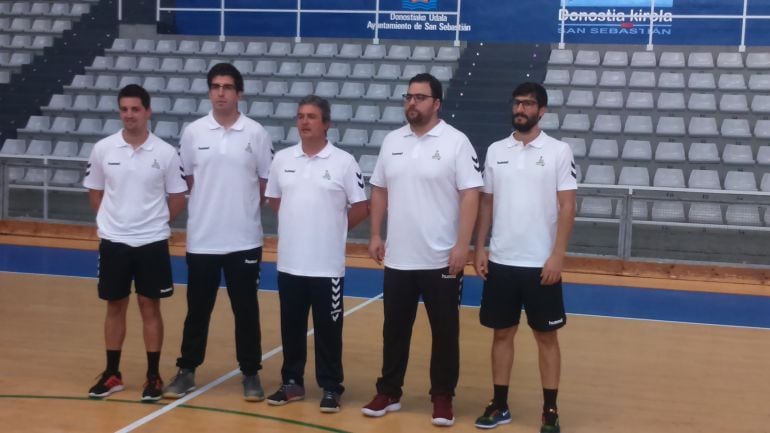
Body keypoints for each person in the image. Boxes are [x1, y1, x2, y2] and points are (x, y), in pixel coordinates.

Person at [361, 73, 483, 426]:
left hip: (442, 257)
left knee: (445, 332)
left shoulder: (456, 142)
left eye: (420, 97)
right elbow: (380, 189)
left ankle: (442, 396)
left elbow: (471, 193)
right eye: (408, 96)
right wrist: (375, 234)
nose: (412, 103)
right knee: (394, 329)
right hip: (399, 257)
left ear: (436, 103)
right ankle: (389, 391)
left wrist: (463, 244)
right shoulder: (392, 141)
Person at [163, 63, 273, 401]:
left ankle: (251, 374)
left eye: (227, 87)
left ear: (239, 93)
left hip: (243, 240)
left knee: (246, 311)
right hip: (203, 239)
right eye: (215, 86)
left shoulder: (256, 133)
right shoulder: (194, 132)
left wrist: (238, 209)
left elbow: (266, 184)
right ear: (209, 91)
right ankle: (187, 371)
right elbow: (188, 181)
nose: (221, 92)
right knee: (198, 309)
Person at [472, 82, 577, 432]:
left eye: (528, 104)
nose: (521, 109)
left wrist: (557, 255)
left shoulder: (560, 151)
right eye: (517, 103)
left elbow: (567, 206)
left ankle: (550, 410)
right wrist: (480, 246)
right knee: (501, 334)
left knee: (546, 338)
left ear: (542, 111)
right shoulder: (495, 150)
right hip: (501, 261)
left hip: (541, 264)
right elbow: (486, 202)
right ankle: (499, 404)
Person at [264, 95, 369, 413]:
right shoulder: (283, 159)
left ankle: (331, 387)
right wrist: (301, 222)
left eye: (311, 116)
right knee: (291, 327)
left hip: (327, 266)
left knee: (328, 330)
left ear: (326, 124)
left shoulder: (343, 162)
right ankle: (291, 383)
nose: (304, 122)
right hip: (291, 263)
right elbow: (274, 199)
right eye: (300, 116)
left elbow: (361, 207)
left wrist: (332, 228)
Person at [84, 84, 187, 401]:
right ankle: (112, 373)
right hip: (114, 242)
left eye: (135, 109)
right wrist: (112, 223)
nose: (129, 115)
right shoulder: (103, 149)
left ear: (148, 111)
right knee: (115, 305)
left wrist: (154, 223)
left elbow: (178, 197)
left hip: (152, 242)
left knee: (149, 306)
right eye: (124, 109)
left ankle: (153, 377)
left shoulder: (165, 153)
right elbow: (95, 191)